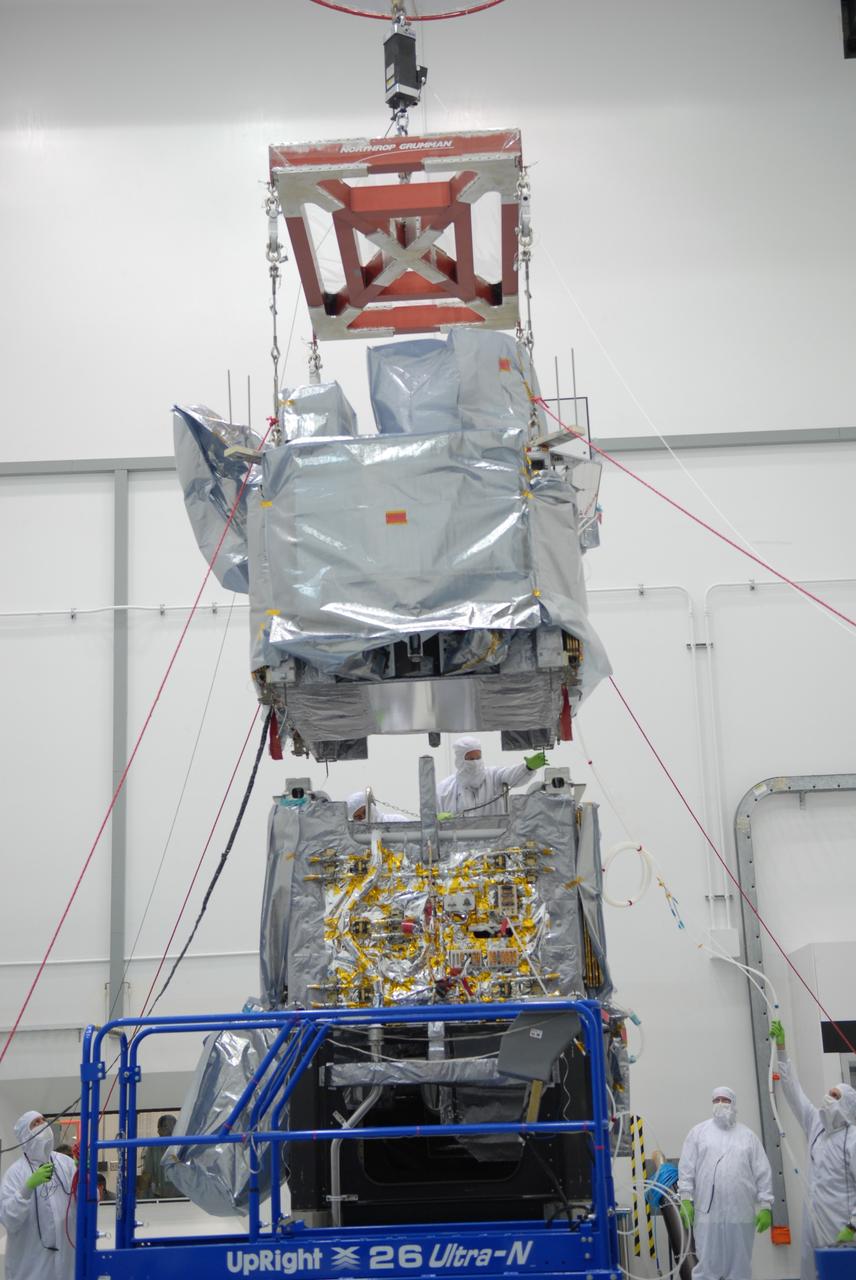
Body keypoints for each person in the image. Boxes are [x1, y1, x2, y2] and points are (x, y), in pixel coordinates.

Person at [770, 1018, 856, 1280]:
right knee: (811, 1273)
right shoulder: (816, 1125)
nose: (828, 1099)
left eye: (835, 1096)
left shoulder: (852, 1139)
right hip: (814, 1221)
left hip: (843, 1225)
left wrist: (854, 1225)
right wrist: (781, 1049)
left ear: (848, 1105)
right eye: (829, 1093)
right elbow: (793, 1091)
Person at [678, 1086, 773, 1280]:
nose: (720, 1104)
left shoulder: (748, 1137)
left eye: (725, 1100)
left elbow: (763, 1172)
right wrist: (686, 1198)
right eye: (716, 1100)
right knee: (707, 1266)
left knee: (739, 1267)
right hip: (707, 1215)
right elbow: (686, 1168)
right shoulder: (698, 1133)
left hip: (740, 1214)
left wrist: (766, 1206)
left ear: (733, 1104)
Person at [0, 1111, 76, 1280]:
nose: (43, 1124)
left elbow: (88, 1201)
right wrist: (27, 1188)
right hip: (31, 1268)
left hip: (66, 1264)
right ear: (25, 1135)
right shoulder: (15, 1174)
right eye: (35, 1123)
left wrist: (85, 1175)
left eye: (43, 1120)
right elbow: (8, 1220)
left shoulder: (66, 1163)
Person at [436, 736, 548, 817]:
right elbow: (431, 819)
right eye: (470, 758)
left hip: (494, 839)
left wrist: (527, 768)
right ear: (459, 760)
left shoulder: (494, 776)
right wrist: (437, 819)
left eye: (478, 757)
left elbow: (513, 776)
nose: (475, 762)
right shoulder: (444, 789)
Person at [139, 1115, 181, 1199]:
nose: (158, 1132)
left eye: (160, 1128)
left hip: (183, 1197)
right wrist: (141, 1198)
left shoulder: (184, 1145)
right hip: (160, 1197)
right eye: (159, 1129)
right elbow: (147, 1174)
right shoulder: (153, 1147)